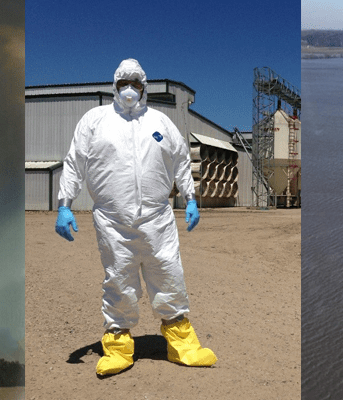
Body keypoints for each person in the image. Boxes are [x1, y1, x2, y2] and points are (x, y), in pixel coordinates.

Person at [55, 58, 217, 376]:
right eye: (123, 83)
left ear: (145, 87)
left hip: (158, 218)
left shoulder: (161, 123)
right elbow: (74, 161)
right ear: (115, 86)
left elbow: (182, 160)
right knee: (118, 281)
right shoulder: (94, 120)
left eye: (136, 83)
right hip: (113, 221)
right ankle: (117, 348)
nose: (129, 89)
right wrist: (65, 203)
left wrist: (191, 198)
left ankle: (183, 345)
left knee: (169, 277)